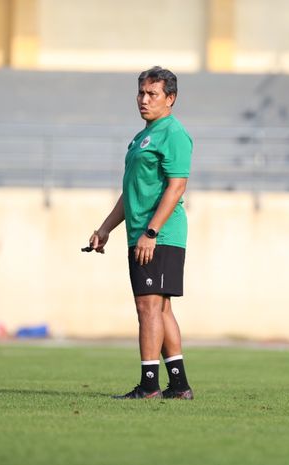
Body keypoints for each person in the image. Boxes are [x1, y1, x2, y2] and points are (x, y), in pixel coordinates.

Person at [86, 66, 194, 399]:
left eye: (153, 94)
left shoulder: (173, 134)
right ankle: (179, 386)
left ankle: (149, 387)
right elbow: (131, 190)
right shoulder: (142, 137)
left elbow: (177, 187)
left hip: (159, 235)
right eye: (141, 93)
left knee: (148, 308)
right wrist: (106, 228)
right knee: (160, 309)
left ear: (170, 98)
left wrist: (151, 231)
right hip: (143, 234)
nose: (144, 100)